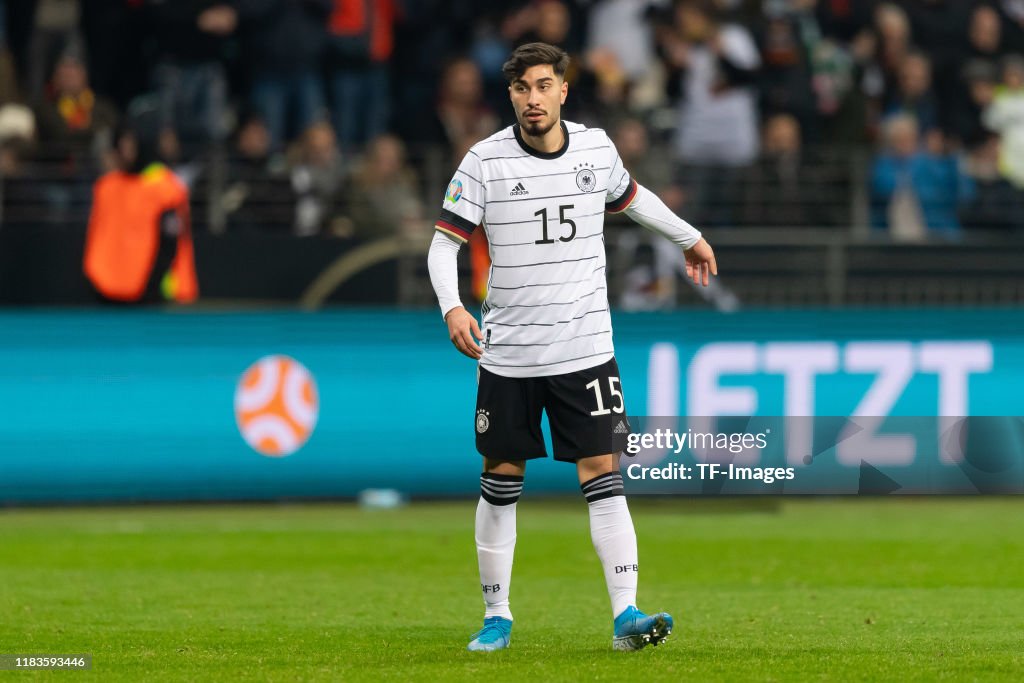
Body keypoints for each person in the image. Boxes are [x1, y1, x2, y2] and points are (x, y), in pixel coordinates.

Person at [426, 42, 718, 653]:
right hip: (508, 355)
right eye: (521, 89)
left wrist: (690, 237)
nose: (532, 99)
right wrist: (452, 306)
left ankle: (626, 616)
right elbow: (443, 244)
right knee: (501, 479)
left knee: (604, 475)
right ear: (511, 96)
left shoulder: (596, 148)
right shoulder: (484, 162)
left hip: (587, 349)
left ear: (563, 89)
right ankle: (496, 616)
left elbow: (634, 200)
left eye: (542, 86)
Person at [83, 100, 198, 304]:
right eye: (122, 141)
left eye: (130, 141)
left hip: (152, 298)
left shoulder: (166, 187)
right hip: (107, 293)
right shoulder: (107, 186)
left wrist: (150, 288)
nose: (125, 148)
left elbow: (169, 246)